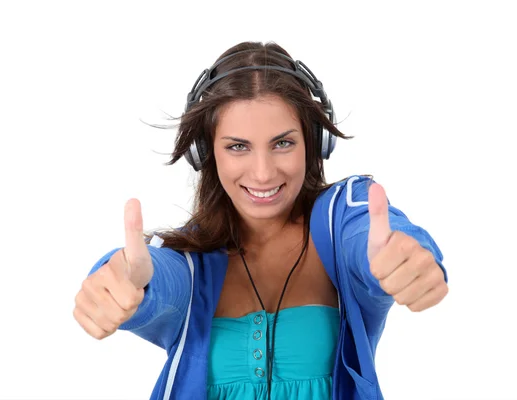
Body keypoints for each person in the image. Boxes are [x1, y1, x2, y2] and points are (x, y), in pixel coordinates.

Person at [73, 41, 449, 400]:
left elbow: (370, 233)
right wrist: (118, 279)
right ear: (206, 153)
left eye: (282, 143)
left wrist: (407, 256)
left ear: (314, 143)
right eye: (238, 146)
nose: (263, 173)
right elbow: (153, 275)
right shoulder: (192, 267)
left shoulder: (339, 225)